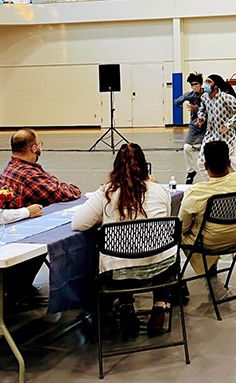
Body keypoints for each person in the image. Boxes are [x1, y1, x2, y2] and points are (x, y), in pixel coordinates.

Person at [72, 142, 173, 336]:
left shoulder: (106, 193)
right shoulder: (161, 191)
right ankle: (160, 305)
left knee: (123, 254)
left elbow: (78, 223)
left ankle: (127, 305)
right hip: (160, 269)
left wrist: (104, 216)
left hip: (119, 273)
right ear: (145, 167)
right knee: (156, 248)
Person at [179, 141, 236, 274]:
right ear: (229, 162)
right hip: (235, 236)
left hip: (208, 243)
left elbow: (182, 227)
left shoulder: (196, 193)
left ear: (205, 166)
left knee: (175, 233)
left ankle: (176, 277)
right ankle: (211, 265)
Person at [0, 129, 82, 207]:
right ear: (34, 148)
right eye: (39, 144)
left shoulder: (10, 168)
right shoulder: (29, 176)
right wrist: (75, 189)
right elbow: (59, 193)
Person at [195, 75, 236, 176]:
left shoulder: (226, 97)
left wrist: (228, 124)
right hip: (211, 135)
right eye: (205, 82)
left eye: (209, 82)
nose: (206, 84)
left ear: (216, 85)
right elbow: (202, 109)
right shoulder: (204, 97)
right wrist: (201, 118)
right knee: (201, 162)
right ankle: (213, 184)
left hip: (227, 136)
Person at [174, 72, 205, 185]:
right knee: (187, 147)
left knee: (206, 149)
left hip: (207, 125)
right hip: (194, 125)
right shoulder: (190, 95)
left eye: (195, 84)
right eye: (191, 85)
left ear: (200, 84)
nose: (193, 87)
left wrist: (197, 108)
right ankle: (190, 171)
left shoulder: (207, 95)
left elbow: (210, 109)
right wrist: (182, 104)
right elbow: (176, 102)